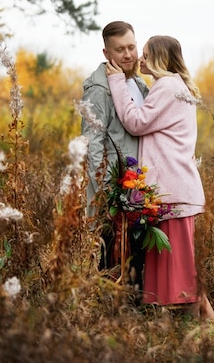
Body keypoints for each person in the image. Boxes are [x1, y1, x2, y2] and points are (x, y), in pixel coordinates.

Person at [106, 35, 214, 322]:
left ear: (159, 59)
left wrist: (117, 82)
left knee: (182, 268)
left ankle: (203, 330)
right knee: (183, 265)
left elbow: (135, 122)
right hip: (175, 189)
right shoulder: (174, 85)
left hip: (173, 191)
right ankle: (206, 328)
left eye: (144, 54)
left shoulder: (167, 87)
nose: (140, 59)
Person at [81, 21, 149, 288]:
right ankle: (113, 319)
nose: (128, 54)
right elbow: (92, 144)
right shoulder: (99, 90)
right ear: (106, 53)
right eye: (120, 49)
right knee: (113, 261)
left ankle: (139, 320)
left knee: (137, 260)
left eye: (131, 47)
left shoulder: (139, 84)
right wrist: (107, 192)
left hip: (138, 188)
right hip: (113, 191)